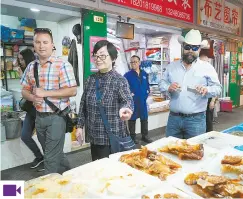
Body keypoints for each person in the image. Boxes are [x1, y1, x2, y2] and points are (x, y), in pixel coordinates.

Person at [20, 28, 77, 174]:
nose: (41, 46)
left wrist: (46, 93)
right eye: (38, 42)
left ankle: (49, 187)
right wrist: (33, 97)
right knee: (51, 152)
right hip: (39, 118)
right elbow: (24, 91)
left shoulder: (63, 65)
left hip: (56, 117)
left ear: (52, 45)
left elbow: (72, 90)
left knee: (50, 160)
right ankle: (70, 175)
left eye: (45, 42)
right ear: (34, 45)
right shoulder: (31, 67)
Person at [76, 40, 134, 161]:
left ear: (113, 58)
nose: (98, 59)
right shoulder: (90, 80)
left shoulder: (119, 80)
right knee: (96, 169)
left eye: (102, 55)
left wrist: (126, 109)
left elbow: (127, 100)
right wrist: (79, 126)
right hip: (94, 136)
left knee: (111, 173)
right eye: (96, 56)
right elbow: (83, 105)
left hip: (111, 138)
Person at [159, 29, 222, 139]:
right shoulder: (171, 67)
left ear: (199, 49)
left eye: (194, 48)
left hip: (196, 121)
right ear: (183, 46)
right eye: (187, 47)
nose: (190, 51)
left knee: (194, 152)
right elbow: (161, 83)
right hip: (174, 119)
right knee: (170, 150)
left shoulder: (207, 67)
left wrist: (207, 90)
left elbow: (218, 88)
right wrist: (168, 87)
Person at [15, 49, 44, 170]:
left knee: (45, 139)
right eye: (19, 59)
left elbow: (37, 89)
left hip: (41, 109)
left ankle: (49, 161)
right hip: (30, 109)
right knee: (25, 135)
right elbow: (25, 90)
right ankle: (39, 157)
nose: (20, 62)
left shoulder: (37, 69)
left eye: (22, 59)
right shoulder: (25, 70)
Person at [124, 55, 152, 144]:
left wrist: (146, 93)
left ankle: (145, 136)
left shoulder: (144, 74)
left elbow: (147, 85)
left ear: (139, 63)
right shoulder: (127, 75)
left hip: (143, 101)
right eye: (132, 62)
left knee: (144, 119)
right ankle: (132, 137)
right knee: (132, 120)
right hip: (132, 102)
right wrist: (130, 95)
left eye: (135, 62)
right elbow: (124, 88)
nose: (133, 64)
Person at [199, 48, 217, 132]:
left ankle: (209, 136)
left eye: (205, 58)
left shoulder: (210, 69)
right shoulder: (198, 68)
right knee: (202, 121)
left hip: (209, 98)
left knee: (208, 120)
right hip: (200, 99)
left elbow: (216, 87)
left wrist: (213, 101)